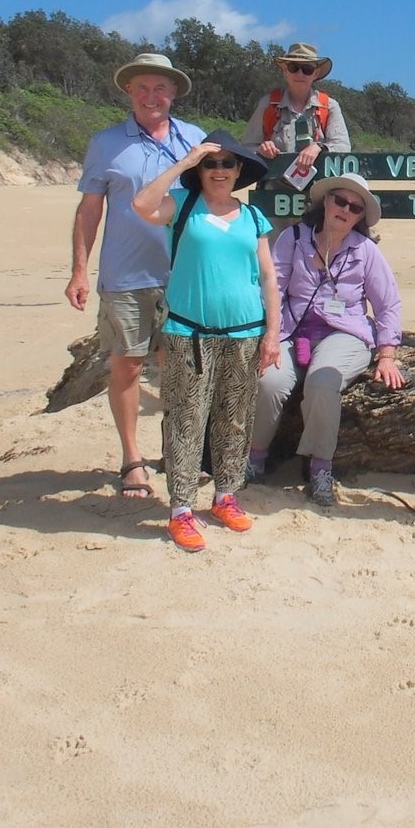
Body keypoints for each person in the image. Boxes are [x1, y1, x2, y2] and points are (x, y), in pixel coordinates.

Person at [65, 52, 205, 500]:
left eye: (160, 87)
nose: (152, 96)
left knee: (179, 369)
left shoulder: (196, 140)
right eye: (142, 87)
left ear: (174, 92)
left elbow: (215, 201)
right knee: (126, 366)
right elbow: (90, 210)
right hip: (125, 275)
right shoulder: (107, 143)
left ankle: (177, 452)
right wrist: (78, 271)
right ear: (129, 91)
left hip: (184, 274)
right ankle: (131, 459)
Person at [132, 130, 280, 551]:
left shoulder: (252, 218)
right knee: (185, 418)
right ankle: (181, 508)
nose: (219, 171)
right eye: (211, 164)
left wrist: (272, 333)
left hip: (245, 333)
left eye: (227, 164)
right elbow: (142, 206)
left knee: (234, 418)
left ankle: (225, 496)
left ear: (239, 171)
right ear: (201, 169)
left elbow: (268, 277)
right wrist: (183, 162)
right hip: (187, 333)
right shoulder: (182, 205)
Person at [250, 173, 406, 506]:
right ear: (325, 202)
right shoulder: (292, 238)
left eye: (354, 207)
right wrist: (271, 334)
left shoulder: (366, 252)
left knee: (322, 383)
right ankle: (254, 459)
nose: (345, 209)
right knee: (269, 382)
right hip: (292, 330)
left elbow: (388, 303)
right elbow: (272, 288)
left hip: (345, 333)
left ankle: (320, 468)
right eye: (340, 200)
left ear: (360, 217)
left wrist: (388, 352)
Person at [244, 43, 352, 177]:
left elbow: (343, 147)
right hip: (274, 190)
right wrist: (261, 149)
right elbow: (246, 148)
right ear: (285, 71)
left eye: (307, 69)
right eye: (293, 68)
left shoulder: (329, 106)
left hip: (318, 192)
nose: (300, 74)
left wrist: (319, 147)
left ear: (315, 74)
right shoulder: (268, 104)